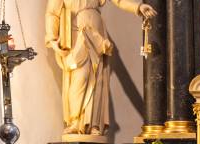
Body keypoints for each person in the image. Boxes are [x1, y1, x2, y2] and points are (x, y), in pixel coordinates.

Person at [44, 0, 158, 136]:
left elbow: (119, 1)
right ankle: (75, 121)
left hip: (96, 34)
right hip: (76, 34)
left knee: (97, 78)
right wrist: (52, 38)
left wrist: (138, 7)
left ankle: (93, 124)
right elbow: (52, 13)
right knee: (80, 77)